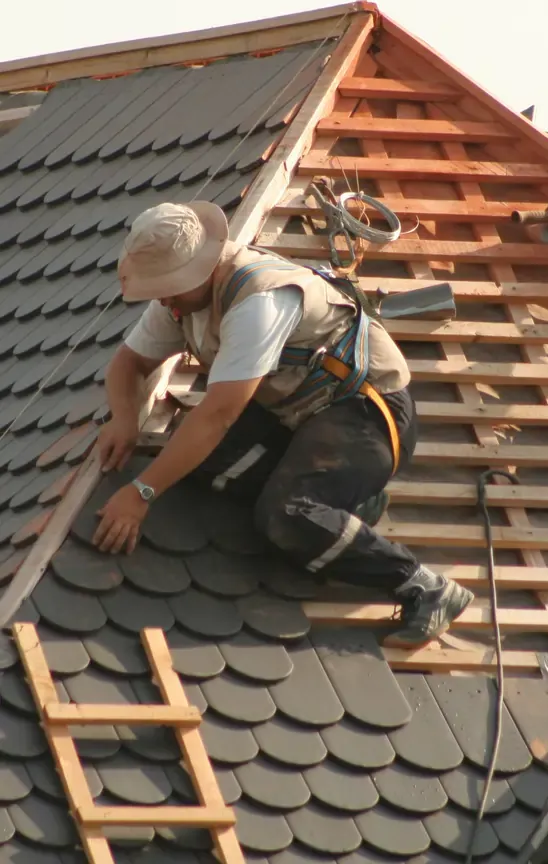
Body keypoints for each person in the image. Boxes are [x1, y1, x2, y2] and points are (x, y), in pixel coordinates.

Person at [94, 201, 473, 646]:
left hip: (366, 411)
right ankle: (346, 502)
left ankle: (423, 586)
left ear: (198, 270)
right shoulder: (182, 300)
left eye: (168, 288)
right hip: (292, 411)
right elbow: (128, 363)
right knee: (193, 462)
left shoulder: (259, 301)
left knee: (286, 515)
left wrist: (141, 492)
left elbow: (218, 414)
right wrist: (124, 418)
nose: (163, 299)